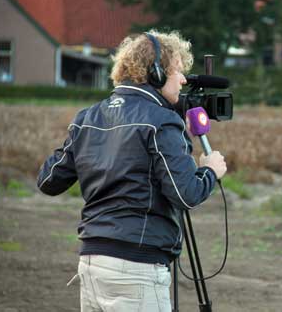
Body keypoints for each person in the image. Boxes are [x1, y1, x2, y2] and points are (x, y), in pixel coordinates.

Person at [37, 29, 227, 312]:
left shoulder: (88, 117)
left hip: (92, 262)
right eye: (178, 71)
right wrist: (209, 171)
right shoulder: (161, 121)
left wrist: (82, 137)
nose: (184, 79)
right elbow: (186, 194)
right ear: (157, 74)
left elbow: (48, 180)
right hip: (137, 267)